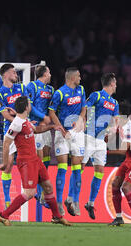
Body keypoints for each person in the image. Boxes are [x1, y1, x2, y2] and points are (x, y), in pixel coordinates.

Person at [0, 96, 71, 226]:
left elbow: (36, 130)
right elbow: (6, 143)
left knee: (48, 187)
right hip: (26, 162)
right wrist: (4, 162)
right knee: (30, 193)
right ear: (26, 107)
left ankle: (57, 217)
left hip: (35, 160)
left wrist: (52, 126)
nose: (31, 106)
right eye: (29, 104)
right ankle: (4, 215)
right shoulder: (16, 124)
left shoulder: (25, 121)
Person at [0, 63, 46, 208]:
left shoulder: (22, 88)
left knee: (37, 157)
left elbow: (28, 106)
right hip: (11, 129)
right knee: (9, 164)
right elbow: (6, 115)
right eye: (13, 72)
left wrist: (30, 118)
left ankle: (37, 191)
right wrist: (21, 119)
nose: (16, 74)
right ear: (5, 75)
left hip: (26, 128)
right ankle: (6, 199)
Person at [48, 67, 87, 216]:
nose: (80, 78)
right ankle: (59, 202)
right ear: (71, 78)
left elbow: (84, 107)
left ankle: (75, 200)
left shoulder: (81, 90)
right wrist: (58, 127)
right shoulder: (59, 93)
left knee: (77, 168)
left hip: (76, 132)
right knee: (62, 168)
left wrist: (79, 119)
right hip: (62, 134)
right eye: (78, 76)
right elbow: (51, 111)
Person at [80, 73, 120, 219]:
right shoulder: (96, 96)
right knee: (81, 167)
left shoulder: (115, 103)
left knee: (99, 171)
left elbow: (116, 121)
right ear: (110, 84)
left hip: (101, 141)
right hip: (88, 137)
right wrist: (84, 122)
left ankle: (90, 203)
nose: (116, 86)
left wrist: (113, 129)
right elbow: (85, 108)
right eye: (115, 83)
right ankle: (72, 199)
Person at [107, 106, 131, 227]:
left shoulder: (129, 128)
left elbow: (123, 150)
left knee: (126, 187)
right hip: (128, 160)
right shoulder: (121, 124)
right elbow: (109, 135)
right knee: (115, 185)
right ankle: (118, 218)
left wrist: (105, 152)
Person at [26, 64, 54, 216]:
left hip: (46, 127)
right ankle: (38, 192)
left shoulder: (51, 90)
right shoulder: (32, 86)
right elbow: (29, 106)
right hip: (36, 127)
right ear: (44, 74)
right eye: (49, 72)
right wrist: (42, 117)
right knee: (39, 160)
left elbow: (52, 107)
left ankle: (42, 193)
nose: (50, 74)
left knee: (46, 161)